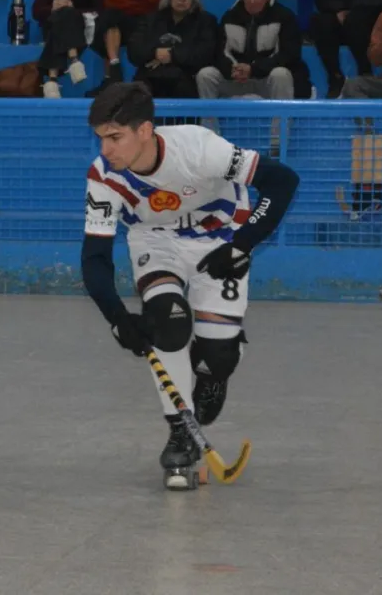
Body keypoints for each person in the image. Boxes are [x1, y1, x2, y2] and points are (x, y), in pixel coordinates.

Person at [80, 82, 299, 490]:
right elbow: (94, 258)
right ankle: (181, 432)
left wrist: (241, 245)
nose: (106, 150)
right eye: (101, 139)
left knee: (218, 355)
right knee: (168, 325)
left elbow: (282, 181)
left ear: (144, 130)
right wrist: (117, 319)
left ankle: (215, 370)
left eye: (115, 138)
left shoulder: (199, 148)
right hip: (156, 242)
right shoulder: (104, 175)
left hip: (221, 239)